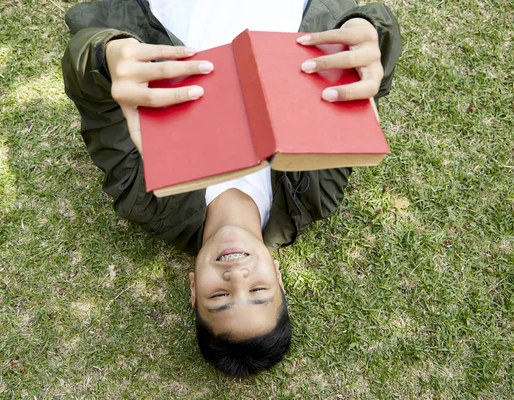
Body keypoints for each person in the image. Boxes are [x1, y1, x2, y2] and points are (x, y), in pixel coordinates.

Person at [62, 0, 402, 377]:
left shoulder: (144, 199)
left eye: (219, 297)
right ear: (278, 276)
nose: (237, 277)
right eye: (259, 292)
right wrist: (369, 33)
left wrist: (108, 57)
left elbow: (91, 93)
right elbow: (362, 84)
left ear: (193, 290)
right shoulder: (316, 195)